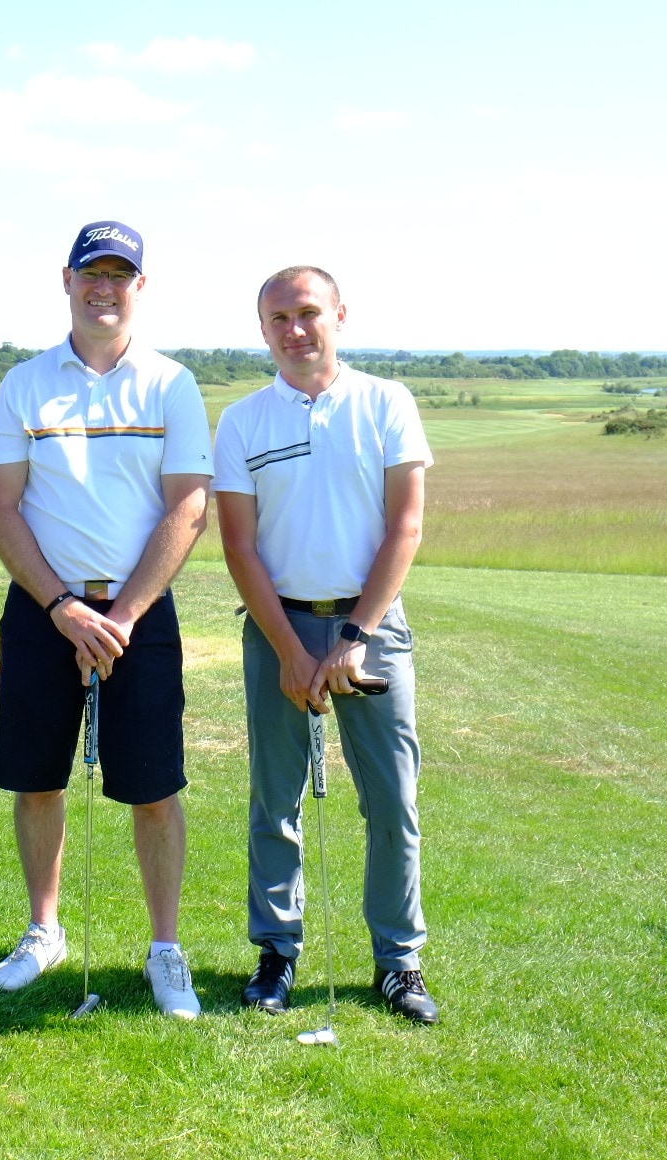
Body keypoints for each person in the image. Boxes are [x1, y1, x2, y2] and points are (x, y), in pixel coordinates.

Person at [0, 220, 212, 1020]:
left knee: (154, 787)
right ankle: (43, 930)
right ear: (67, 280)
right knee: (38, 779)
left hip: (139, 613)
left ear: (139, 286)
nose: (103, 288)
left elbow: (188, 506)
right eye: (91, 273)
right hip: (45, 607)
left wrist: (123, 615)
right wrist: (63, 607)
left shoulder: (172, 384)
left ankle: (165, 948)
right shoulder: (24, 383)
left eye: (119, 275)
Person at [213, 265, 438, 1024]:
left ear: (340, 315)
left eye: (308, 313)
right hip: (278, 625)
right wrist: (289, 649)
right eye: (278, 319)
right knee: (274, 799)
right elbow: (240, 546)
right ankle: (276, 952)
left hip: (371, 626)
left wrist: (353, 637)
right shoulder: (242, 421)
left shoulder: (387, 402)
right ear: (263, 330)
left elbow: (405, 527)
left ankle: (398, 963)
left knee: (393, 800)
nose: (295, 330)